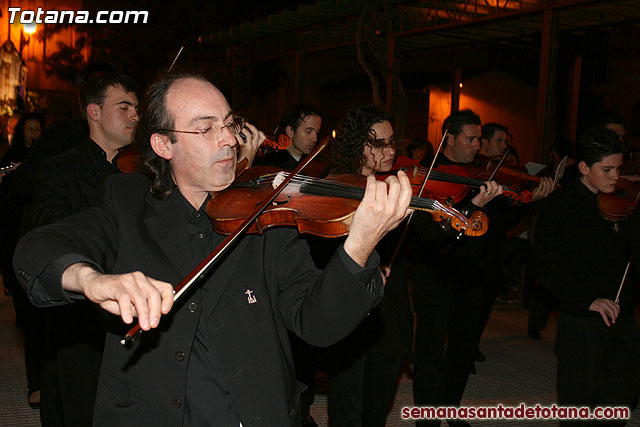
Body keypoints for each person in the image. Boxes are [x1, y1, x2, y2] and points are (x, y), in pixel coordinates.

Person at [13, 73, 412, 427]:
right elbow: (38, 247)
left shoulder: (266, 214)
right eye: (206, 129)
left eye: (229, 124)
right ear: (163, 144)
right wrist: (91, 279)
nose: (229, 139)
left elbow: (317, 323)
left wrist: (360, 244)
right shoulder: (126, 202)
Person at [533, 127, 640, 426]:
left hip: (622, 313)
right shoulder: (560, 206)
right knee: (578, 403)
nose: (614, 177)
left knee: (622, 393)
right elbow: (545, 267)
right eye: (606, 169)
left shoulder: (627, 204)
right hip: (580, 317)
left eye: (618, 169)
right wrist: (588, 300)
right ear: (583, 167)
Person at [411, 109, 504, 427]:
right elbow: (428, 235)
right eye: (471, 138)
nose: (478, 145)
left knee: (463, 348)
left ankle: (451, 408)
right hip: (435, 271)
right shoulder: (426, 176)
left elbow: (497, 226)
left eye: (479, 138)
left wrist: (526, 198)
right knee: (431, 347)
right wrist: (473, 205)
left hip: (471, 271)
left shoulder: (481, 176)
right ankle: (427, 416)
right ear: (448, 138)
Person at [324, 105, 414, 427]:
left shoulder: (397, 190)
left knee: (377, 410)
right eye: (379, 144)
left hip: (387, 318)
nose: (389, 151)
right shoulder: (331, 189)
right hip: (349, 320)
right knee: (346, 413)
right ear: (356, 145)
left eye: (392, 143)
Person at [258, 103, 321, 170]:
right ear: (290, 131)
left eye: (317, 132)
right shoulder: (270, 165)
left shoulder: (314, 165)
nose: (315, 139)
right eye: (308, 132)